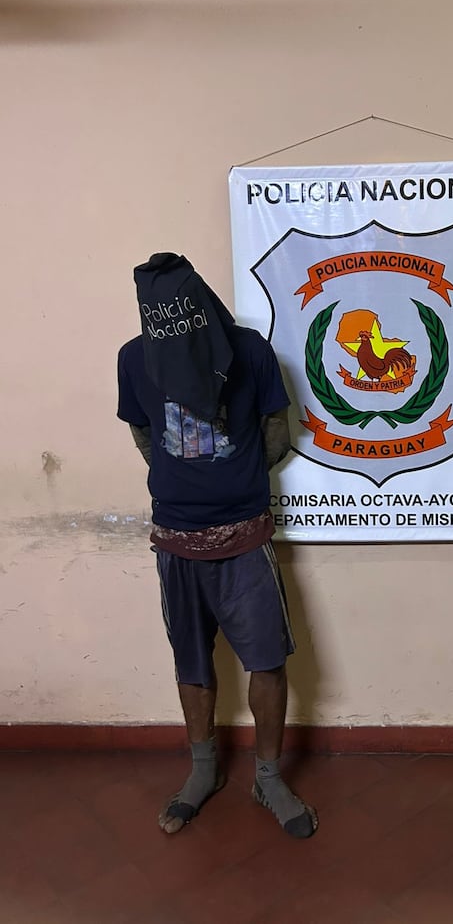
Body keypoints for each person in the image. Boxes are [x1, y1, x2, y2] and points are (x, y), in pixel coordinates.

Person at [117, 252, 317, 839]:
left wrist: (233, 482)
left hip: (245, 536)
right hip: (175, 539)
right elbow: (143, 432)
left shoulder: (249, 351)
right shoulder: (133, 358)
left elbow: (277, 432)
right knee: (191, 661)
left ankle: (268, 777)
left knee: (267, 659)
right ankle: (203, 770)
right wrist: (184, 481)